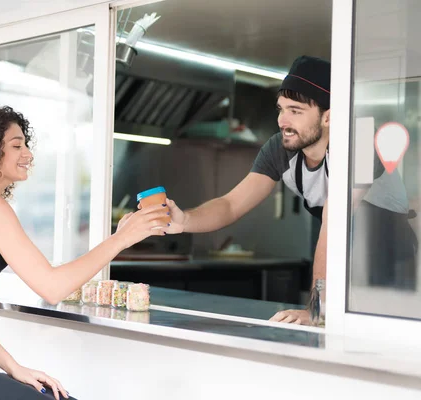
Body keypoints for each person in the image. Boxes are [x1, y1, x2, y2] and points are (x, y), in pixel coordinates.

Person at [0, 106, 169, 400]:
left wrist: (14, 367)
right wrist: (122, 238)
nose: (28, 154)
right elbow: (52, 287)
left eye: (26, 144)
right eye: (16, 145)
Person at [162, 55, 415, 325]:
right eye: (281, 109)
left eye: (295, 111)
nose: (283, 120)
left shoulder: (361, 142)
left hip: (391, 261)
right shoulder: (279, 149)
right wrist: (185, 220)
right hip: (339, 260)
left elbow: (334, 221)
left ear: (328, 116)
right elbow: (231, 204)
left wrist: (318, 311)